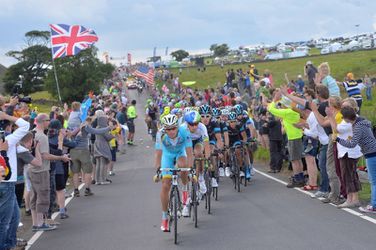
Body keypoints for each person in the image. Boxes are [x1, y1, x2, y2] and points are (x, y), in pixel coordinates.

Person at [29, 114, 70, 231]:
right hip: (41, 170)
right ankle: (41, 223)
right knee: (43, 197)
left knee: (35, 197)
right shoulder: (42, 136)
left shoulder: (32, 133)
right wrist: (61, 158)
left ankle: (35, 223)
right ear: (42, 122)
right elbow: (45, 155)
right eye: (48, 120)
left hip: (32, 169)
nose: (49, 123)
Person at [154, 114, 193, 231]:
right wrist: (157, 170)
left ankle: (185, 189)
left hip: (180, 153)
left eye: (173, 128)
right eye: (168, 129)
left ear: (177, 127)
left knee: (183, 166)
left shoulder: (184, 131)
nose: (171, 131)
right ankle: (165, 216)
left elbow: (189, 152)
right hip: (167, 156)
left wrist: (191, 168)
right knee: (165, 185)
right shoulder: (160, 134)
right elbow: (158, 153)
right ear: (164, 129)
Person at [335, 106, 376, 213]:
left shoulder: (357, 127)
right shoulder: (363, 121)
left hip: (371, 153)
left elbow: (352, 144)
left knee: (373, 181)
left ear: (346, 118)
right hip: (372, 151)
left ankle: (373, 205)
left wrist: (338, 139)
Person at [0, 110, 29, 250]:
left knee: (14, 218)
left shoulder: (8, 139)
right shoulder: (8, 139)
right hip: (6, 183)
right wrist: (6, 116)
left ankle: (10, 244)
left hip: (7, 183)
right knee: (4, 221)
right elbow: (25, 126)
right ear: (8, 127)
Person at [266, 90, 305, 188]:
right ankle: (300, 177)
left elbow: (270, 109)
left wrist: (274, 100)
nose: (281, 105)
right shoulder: (293, 110)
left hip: (293, 137)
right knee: (298, 159)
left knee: (294, 160)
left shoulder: (287, 111)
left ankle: (297, 179)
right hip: (297, 136)